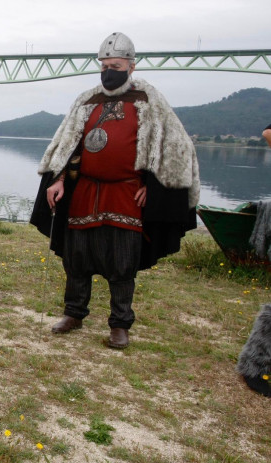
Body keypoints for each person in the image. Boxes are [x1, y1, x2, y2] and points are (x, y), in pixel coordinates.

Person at [29, 32, 200, 349]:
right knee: (76, 257)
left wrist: (156, 185)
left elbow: (174, 148)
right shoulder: (86, 101)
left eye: (116, 65)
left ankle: (120, 325)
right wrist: (58, 178)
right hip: (84, 191)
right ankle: (74, 313)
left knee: (122, 261)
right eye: (104, 65)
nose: (109, 71)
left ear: (131, 67)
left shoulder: (148, 100)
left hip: (126, 193)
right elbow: (69, 144)